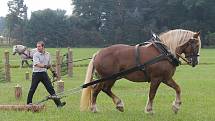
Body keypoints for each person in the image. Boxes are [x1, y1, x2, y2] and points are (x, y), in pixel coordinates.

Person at [27, 41, 66, 107]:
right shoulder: (35, 55)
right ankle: (28, 103)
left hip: (44, 74)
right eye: (37, 46)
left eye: (39, 46)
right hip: (36, 74)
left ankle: (59, 104)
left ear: (43, 47)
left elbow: (49, 65)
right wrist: (45, 66)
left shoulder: (48, 54)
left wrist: (53, 72)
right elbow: (37, 64)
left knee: (50, 89)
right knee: (32, 89)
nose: (38, 48)